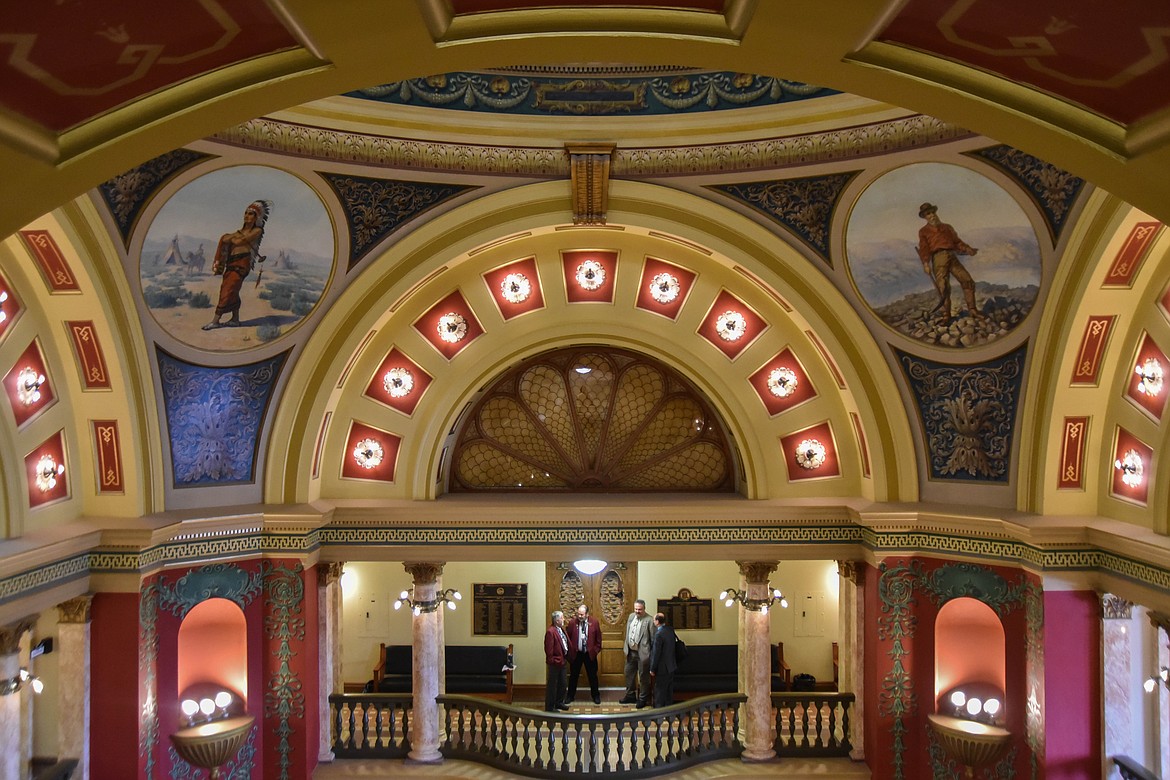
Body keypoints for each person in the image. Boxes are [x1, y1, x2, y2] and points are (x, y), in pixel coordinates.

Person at [203, 200, 270, 330]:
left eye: (251, 214)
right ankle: (235, 319)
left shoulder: (257, 230)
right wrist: (231, 238)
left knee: (227, 289)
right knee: (233, 290)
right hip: (231, 262)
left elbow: (239, 241)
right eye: (246, 213)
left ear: (257, 217)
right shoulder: (239, 231)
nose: (247, 216)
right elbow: (225, 238)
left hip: (242, 263)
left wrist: (232, 238)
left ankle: (215, 321)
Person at [915, 202, 984, 323]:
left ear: (935, 213)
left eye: (932, 212)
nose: (931, 215)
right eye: (928, 214)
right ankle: (946, 316)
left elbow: (957, 242)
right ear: (925, 217)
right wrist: (925, 264)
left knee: (967, 280)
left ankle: (972, 310)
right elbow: (924, 248)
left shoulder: (947, 227)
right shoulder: (923, 231)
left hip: (952, 256)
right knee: (943, 287)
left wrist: (968, 249)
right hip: (938, 258)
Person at [566, 604, 602, 705]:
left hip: (589, 654)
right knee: (573, 676)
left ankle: (595, 695)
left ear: (587, 614)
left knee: (593, 676)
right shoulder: (573, 623)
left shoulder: (594, 622)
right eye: (578, 614)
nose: (580, 616)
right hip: (577, 654)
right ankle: (570, 696)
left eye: (582, 614)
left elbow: (598, 640)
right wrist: (570, 651)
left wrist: (595, 651)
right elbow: (568, 638)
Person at [620, 599, 653, 708]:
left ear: (644, 609)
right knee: (628, 674)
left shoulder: (649, 620)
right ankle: (630, 695)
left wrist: (650, 655)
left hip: (642, 655)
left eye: (640, 609)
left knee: (643, 677)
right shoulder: (631, 617)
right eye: (636, 609)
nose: (637, 611)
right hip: (631, 653)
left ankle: (643, 698)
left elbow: (653, 640)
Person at [648, 612, 678, 708]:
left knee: (660, 691)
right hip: (671, 666)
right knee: (669, 691)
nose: (653, 622)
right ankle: (669, 711)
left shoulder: (659, 634)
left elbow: (656, 653)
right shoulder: (670, 630)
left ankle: (658, 713)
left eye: (654, 620)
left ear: (657, 621)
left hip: (662, 668)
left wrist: (652, 669)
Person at [543, 610, 570, 712]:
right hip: (555, 663)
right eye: (562, 618)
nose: (563, 619)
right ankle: (550, 707)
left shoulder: (560, 629)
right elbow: (548, 649)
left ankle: (559, 702)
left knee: (563, 684)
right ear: (557, 620)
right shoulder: (551, 631)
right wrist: (553, 660)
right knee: (552, 686)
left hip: (562, 661)